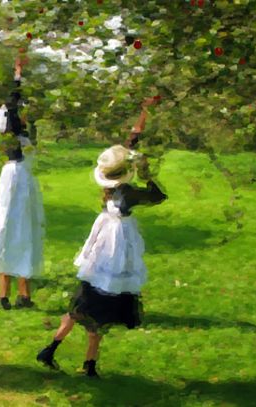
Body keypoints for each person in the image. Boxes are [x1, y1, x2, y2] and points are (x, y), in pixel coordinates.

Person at [36, 98, 166, 377]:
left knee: (83, 307)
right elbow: (158, 196)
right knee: (96, 308)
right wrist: (146, 173)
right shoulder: (128, 193)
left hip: (104, 240)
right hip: (115, 246)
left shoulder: (113, 191)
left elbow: (128, 147)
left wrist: (143, 114)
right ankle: (82, 362)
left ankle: (66, 355)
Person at [0, 56, 44, 310]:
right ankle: (5, 293)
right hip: (15, 184)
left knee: (23, 232)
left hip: (23, 184)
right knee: (10, 230)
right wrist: (18, 75)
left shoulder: (22, 136)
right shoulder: (12, 135)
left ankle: (23, 295)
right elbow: (12, 103)